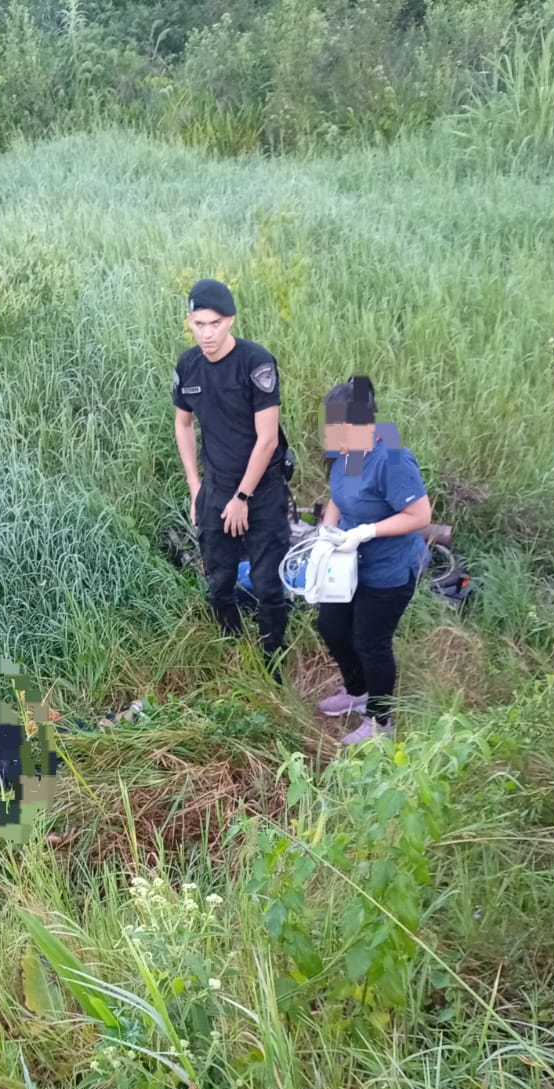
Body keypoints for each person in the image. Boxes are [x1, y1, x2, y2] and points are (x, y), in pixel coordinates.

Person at [172, 279, 292, 680]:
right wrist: (196, 487)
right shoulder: (188, 365)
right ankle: (233, 650)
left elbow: (268, 438)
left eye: (216, 323)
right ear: (189, 322)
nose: (207, 333)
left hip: (260, 491)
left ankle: (273, 662)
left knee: (267, 584)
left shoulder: (255, 363)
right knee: (219, 583)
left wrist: (243, 496)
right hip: (216, 488)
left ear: (231, 321)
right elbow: (183, 424)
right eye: (199, 324)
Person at [314, 375, 432, 745]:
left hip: (388, 570)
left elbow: (420, 516)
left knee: (370, 642)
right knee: (332, 626)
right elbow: (340, 495)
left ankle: (380, 722)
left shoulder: (392, 458)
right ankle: (357, 690)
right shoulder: (348, 450)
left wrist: (367, 532)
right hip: (348, 563)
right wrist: (327, 532)